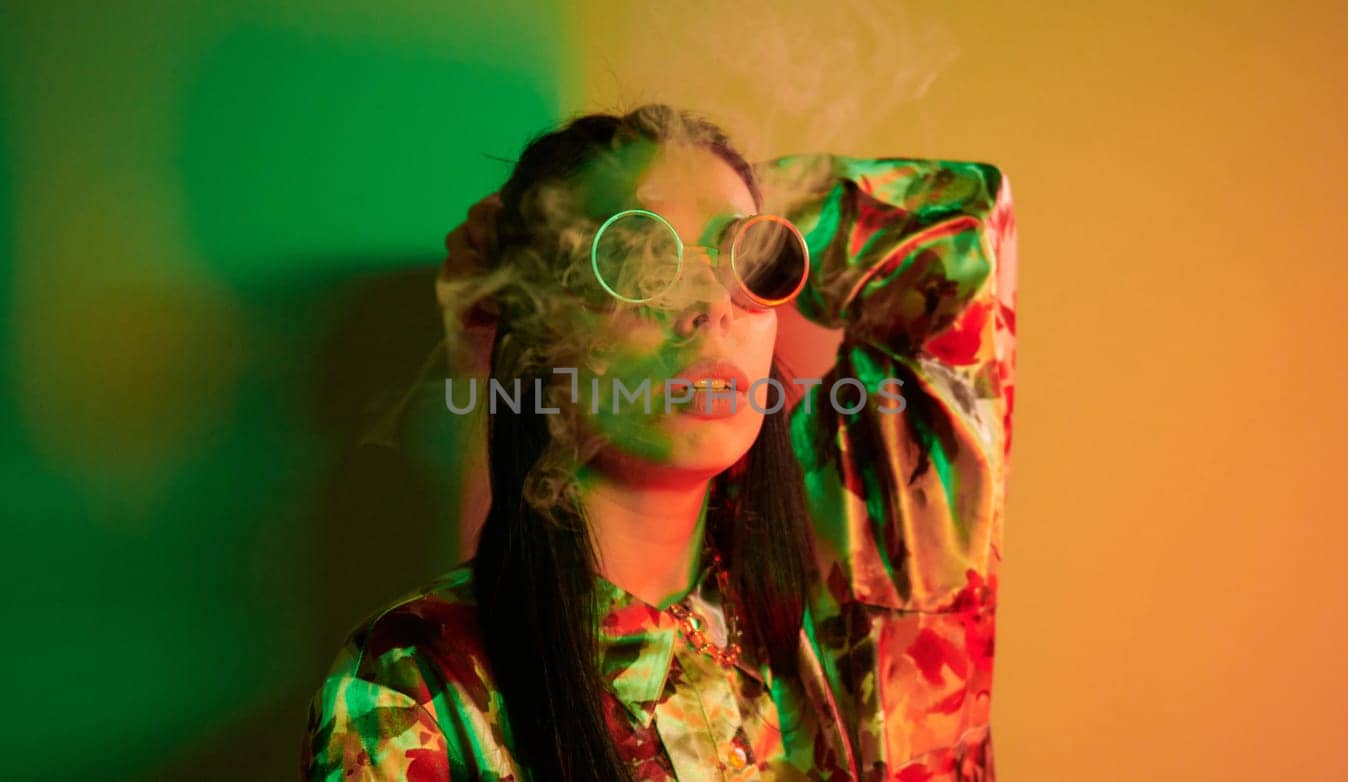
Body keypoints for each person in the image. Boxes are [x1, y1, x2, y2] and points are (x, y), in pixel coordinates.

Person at [301, 105, 1017, 781]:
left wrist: (723, 192)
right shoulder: (413, 686)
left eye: (747, 259)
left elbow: (961, 227)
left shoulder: (859, 579)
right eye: (640, 259)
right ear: (539, 339)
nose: (710, 308)